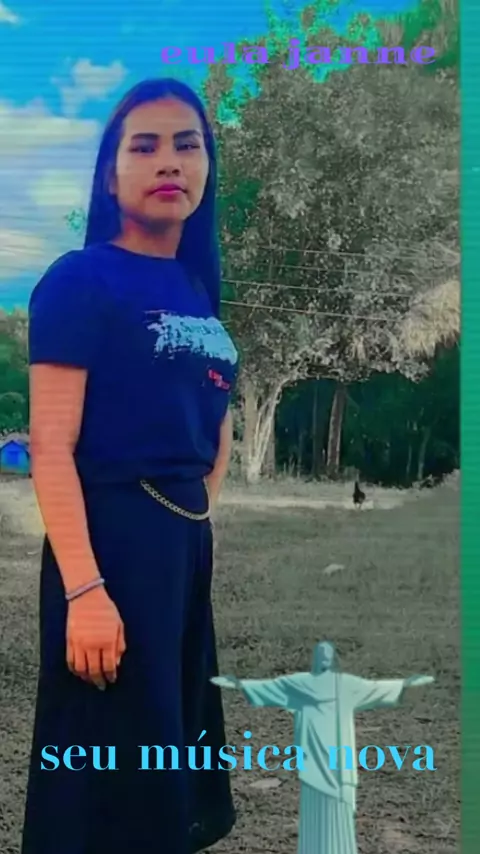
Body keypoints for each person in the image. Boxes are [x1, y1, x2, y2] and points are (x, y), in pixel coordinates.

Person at [21, 77, 238, 854]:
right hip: (109, 547)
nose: (169, 161)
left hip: (182, 550)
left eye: (187, 144)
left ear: (206, 166)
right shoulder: (80, 280)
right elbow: (51, 444)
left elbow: (213, 412)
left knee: (165, 761)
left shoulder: (197, 288)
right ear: (110, 177)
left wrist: (198, 512)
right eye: (144, 147)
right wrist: (86, 590)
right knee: (107, 774)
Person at [212, 641, 434, 854]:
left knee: (340, 809)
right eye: (321, 656)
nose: (325, 660)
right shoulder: (303, 683)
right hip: (313, 757)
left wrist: (405, 684)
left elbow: (374, 688)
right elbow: (272, 687)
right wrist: (239, 684)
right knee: (315, 809)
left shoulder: (346, 684)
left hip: (340, 758)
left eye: (328, 656)